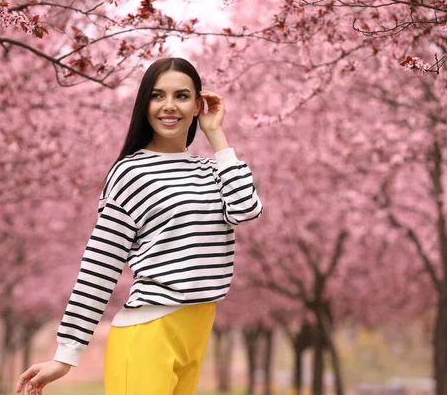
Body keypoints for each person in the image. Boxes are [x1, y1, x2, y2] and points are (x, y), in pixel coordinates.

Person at [16, 57, 263, 395]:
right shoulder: (131, 174)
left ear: (197, 104)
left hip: (196, 329)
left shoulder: (212, 170)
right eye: (157, 95)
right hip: (148, 334)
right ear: (144, 104)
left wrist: (216, 134)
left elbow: (246, 209)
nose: (169, 106)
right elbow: (100, 265)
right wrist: (66, 354)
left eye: (181, 96)